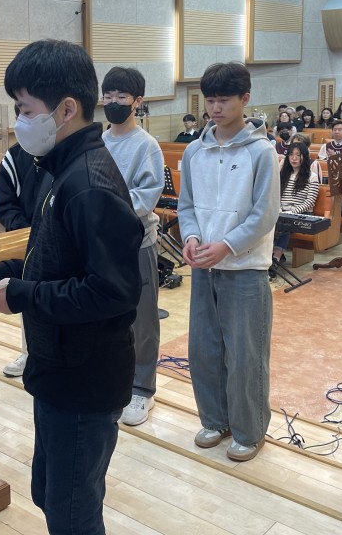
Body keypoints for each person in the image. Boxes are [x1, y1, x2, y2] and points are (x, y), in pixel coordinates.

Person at [0, 40, 143, 535]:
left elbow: (112, 291)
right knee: (49, 491)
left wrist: (19, 295)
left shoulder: (87, 182)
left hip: (84, 378)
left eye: (25, 109)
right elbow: (52, 258)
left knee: (72, 512)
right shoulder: (59, 170)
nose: (18, 121)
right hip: (57, 367)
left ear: (66, 109)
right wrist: (4, 270)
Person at [177, 62, 279, 462]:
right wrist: (191, 237)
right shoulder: (194, 150)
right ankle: (215, 420)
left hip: (245, 269)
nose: (215, 108)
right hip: (204, 267)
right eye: (210, 100)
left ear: (245, 99)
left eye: (224, 100)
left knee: (245, 355)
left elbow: (264, 214)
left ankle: (250, 431)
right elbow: (186, 206)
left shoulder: (261, 151)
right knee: (203, 349)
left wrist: (227, 245)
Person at [100, 66, 165, 427]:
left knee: (142, 321)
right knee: (108, 317)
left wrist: (108, 209)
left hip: (137, 243)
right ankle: (115, 381)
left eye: (121, 96)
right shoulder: (99, 141)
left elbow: (147, 196)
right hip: (101, 245)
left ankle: (142, 389)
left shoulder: (146, 145)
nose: (114, 102)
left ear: (137, 101)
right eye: (108, 95)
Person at [0, 130, 54, 378]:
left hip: (60, 240)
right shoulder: (14, 156)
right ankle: (29, 353)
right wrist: (26, 230)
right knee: (29, 297)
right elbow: (3, 203)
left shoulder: (63, 150)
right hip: (27, 241)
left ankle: (51, 358)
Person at [271, 141, 319, 268]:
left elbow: (310, 202)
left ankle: (275, 258)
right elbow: (276, 195)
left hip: (301, 213)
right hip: (282, 211)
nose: (294, 158)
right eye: (291, 154)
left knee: (286, 225)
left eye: (298, 155)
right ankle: (268, 256)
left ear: (305, 156)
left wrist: (292, 212)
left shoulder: (312, 177)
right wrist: (279, 208)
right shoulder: (283, 174)